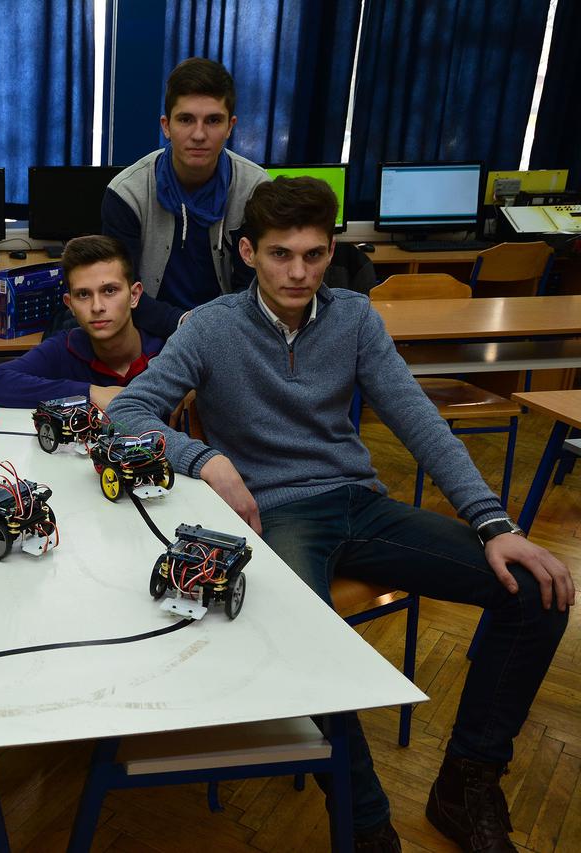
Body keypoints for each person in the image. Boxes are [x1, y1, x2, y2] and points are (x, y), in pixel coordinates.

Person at [107, 177, 572, 853]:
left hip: (360, 502)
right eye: (279, 254)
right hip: (279, 517)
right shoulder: (209, 327)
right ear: (247, 252)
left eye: (314, 254)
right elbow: (127, 411)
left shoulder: (354, 316)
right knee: (310, 640)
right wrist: (206, 458)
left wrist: (496, 525)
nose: (298, 272)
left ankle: (466, 781)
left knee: (536, 592)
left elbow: (418, 421)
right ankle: (367, 824)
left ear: (331, 251)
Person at [102, 57, 270, 340]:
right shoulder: (125, 193)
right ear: (166, 126)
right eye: (186, 119)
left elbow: (257, 286)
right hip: (149, 332)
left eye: (213, 120)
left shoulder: (256, 189)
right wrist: (181, 322)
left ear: (230, 126)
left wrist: (213, 327)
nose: (199, 134)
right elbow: (118, 290)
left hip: (232, 333)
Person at [0, 235, 162, 409]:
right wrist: (91, 393)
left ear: (134, 296)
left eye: (110, 291)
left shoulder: (165, 352)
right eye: (83, 294)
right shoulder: (65, 348)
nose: (97, 307)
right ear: (70, 304)